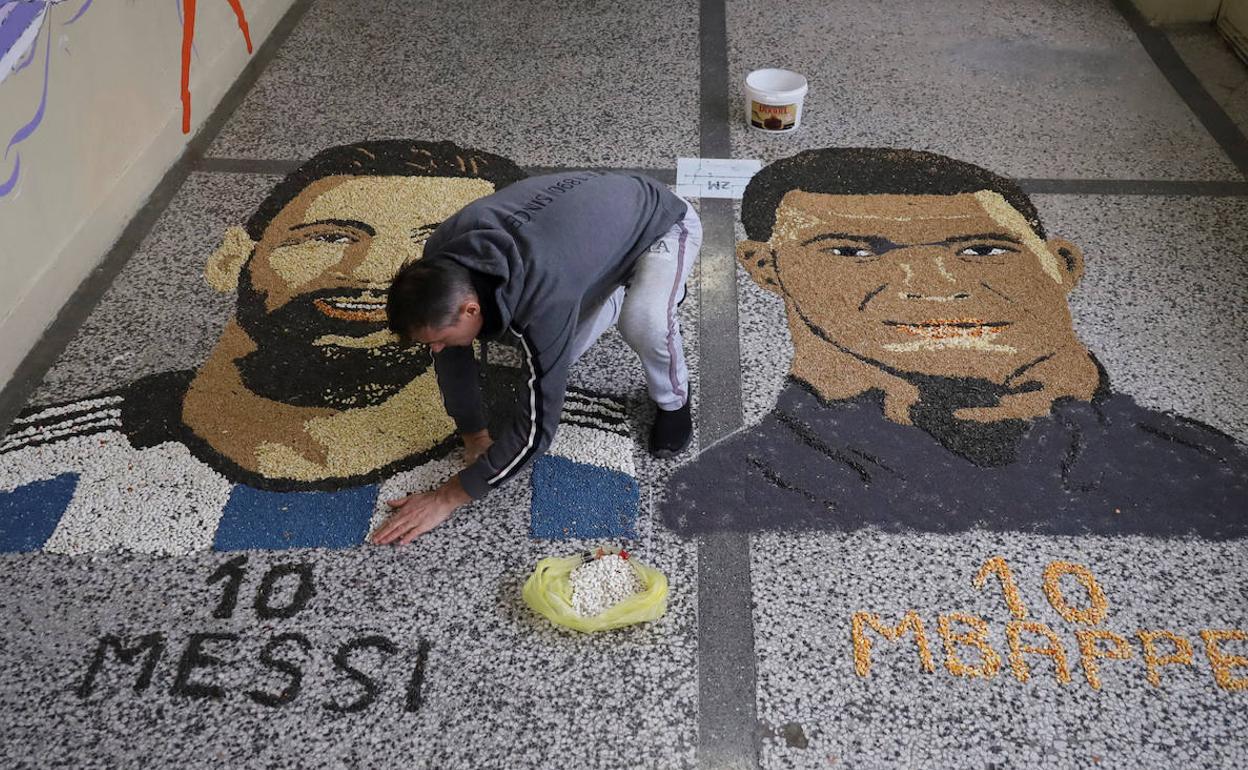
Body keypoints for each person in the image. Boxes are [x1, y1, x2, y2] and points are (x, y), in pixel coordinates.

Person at [0, 140, 633, 553]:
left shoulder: (597, 452)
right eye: (329, 236)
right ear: (233, 259)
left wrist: (452, 493)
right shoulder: (33, 463)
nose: (370, 272)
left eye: (420, 243)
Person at [663, 147, 1248, 539]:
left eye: (983, 251)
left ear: (1060, 264)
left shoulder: (1214, 470)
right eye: (850, 252)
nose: (935, 291)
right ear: (765, 268)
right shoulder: (729, 495)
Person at [374, 171, 702, 544]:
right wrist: (473, 434)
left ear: (469, 309)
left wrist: (447, 497)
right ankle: (622, 286)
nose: (434, 350)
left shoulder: (542, 295)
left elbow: (536, 432)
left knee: (643, 321)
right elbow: (451, 355)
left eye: (436, 341)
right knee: (563, 347)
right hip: (591, 226)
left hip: (661, 223)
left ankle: (673, 396)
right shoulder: (440, 260)